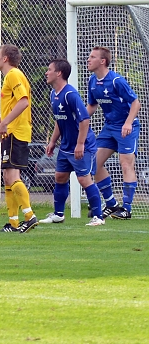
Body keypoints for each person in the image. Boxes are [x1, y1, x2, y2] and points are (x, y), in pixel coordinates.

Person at [38, 59, 105, 226]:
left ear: (59, 73)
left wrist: (80, 144)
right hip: (66, 146)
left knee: (84, 179)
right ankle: (58, 214)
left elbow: (84, 120)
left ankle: (99, 217)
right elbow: (59, 121)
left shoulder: (70, 95)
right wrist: (53, 141)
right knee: (60, 177)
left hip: (82, 145)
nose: (46, 72)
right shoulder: (53, 94)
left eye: (49, 69)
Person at [0, 44, 38, 233]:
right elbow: (15, 106)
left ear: (5, 58)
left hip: (15, 132)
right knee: (8, 177)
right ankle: (13, 223)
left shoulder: (13, 74)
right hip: (12, 130)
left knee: (12, 176)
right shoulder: (11, 76)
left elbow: (23, 102)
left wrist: (4, 124)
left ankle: (29, 216)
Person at [86, 46, 141, 220]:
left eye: (92, 57)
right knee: (94, 163)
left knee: (126, 164)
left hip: (126, 127)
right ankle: (111, 204)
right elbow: (92, 106)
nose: (88, 60)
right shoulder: (92, 81)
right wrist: (78, 120)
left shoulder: (117, 81)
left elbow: (136, 103)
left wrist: (128, 123)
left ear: (102, 61)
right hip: (109, 127)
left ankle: (127, 209)